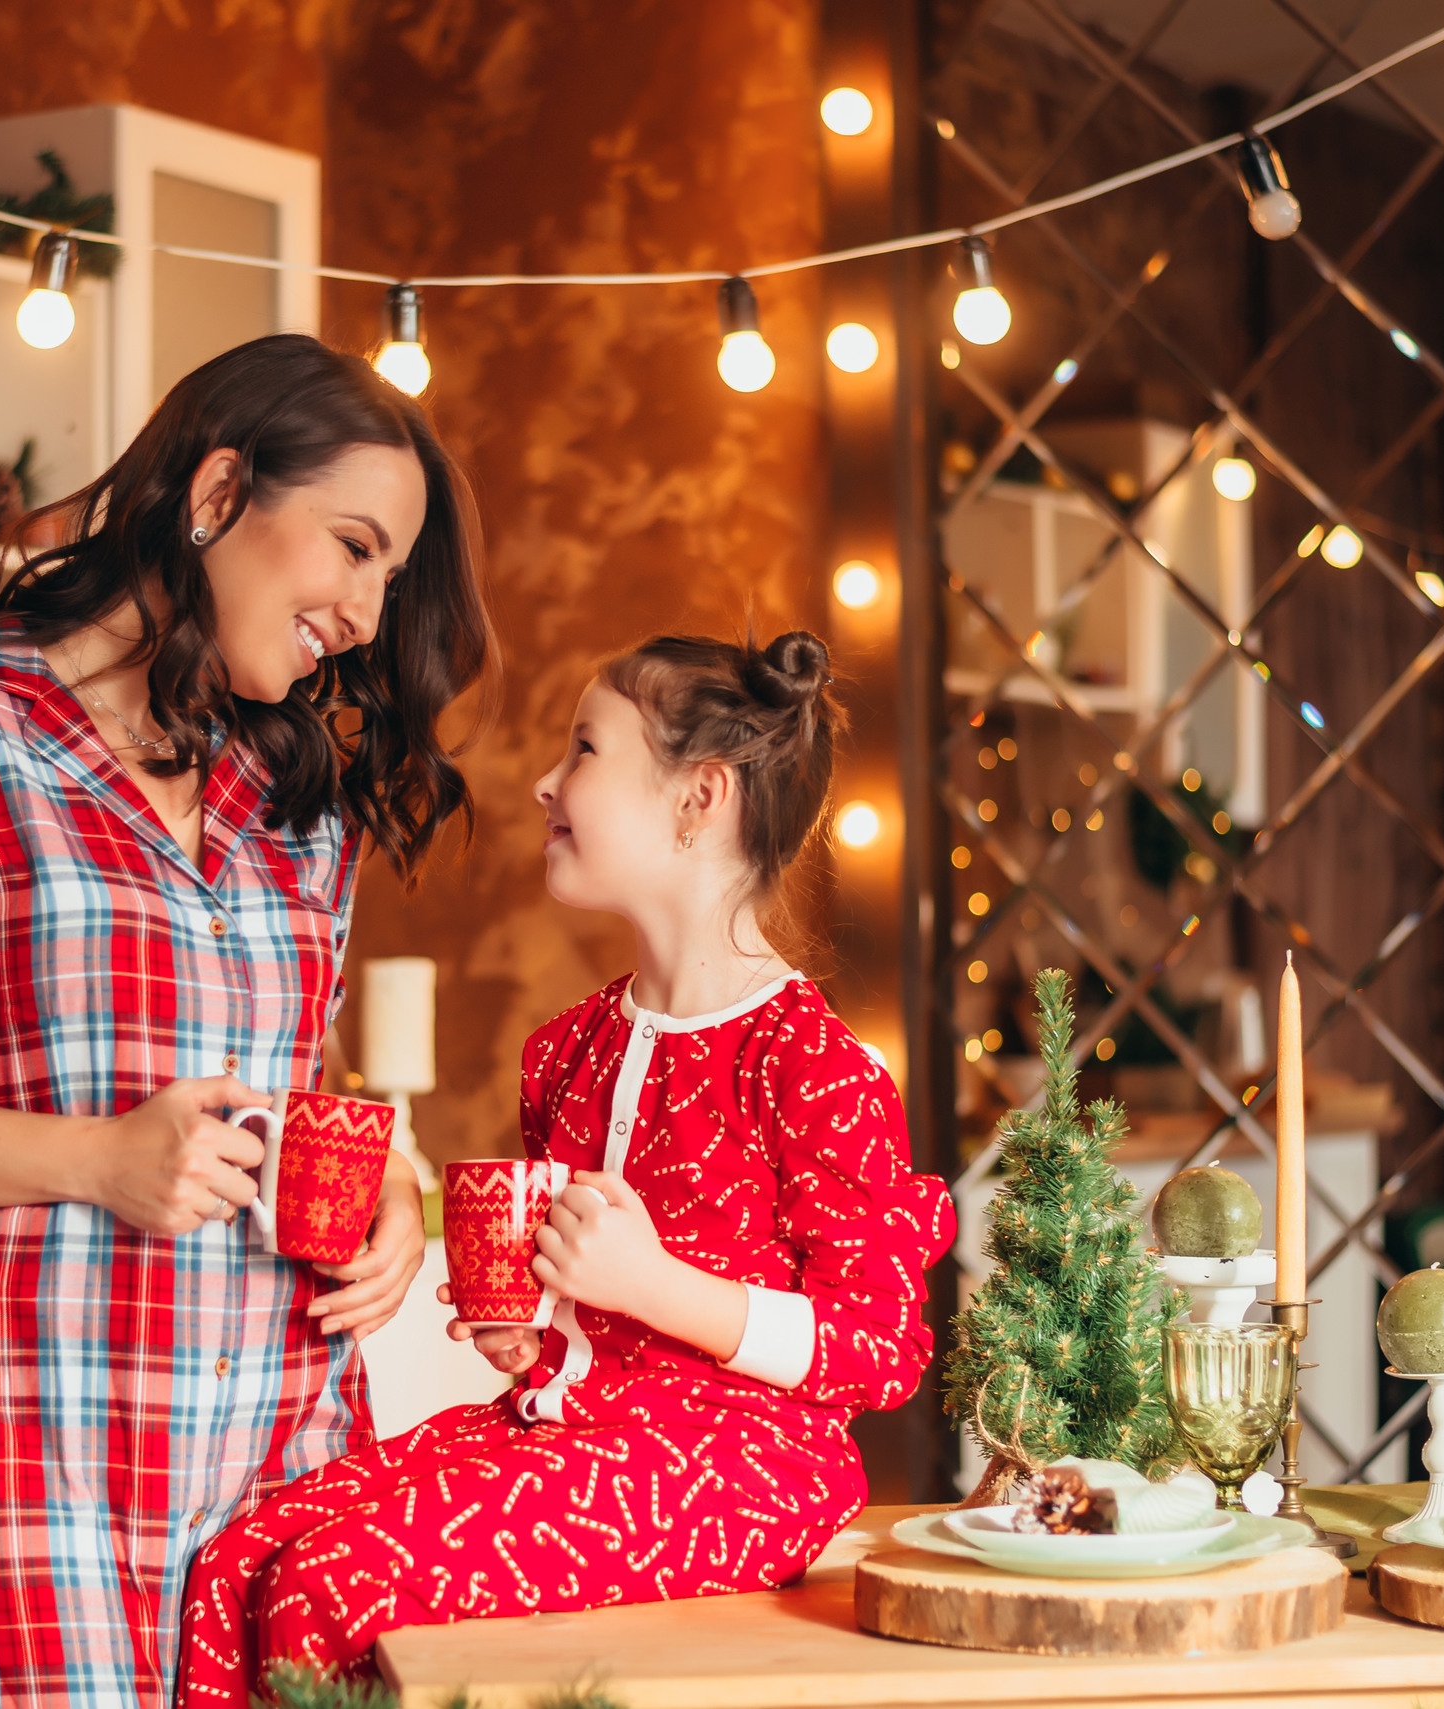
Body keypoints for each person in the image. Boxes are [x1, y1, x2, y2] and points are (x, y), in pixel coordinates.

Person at [0, 333, 495, 1708]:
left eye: (393, 574)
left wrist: (383, 1184)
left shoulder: (297, 808)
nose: (372, 614)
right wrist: (92, 1160)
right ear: (215, 495)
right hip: (26, 1460)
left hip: (287, 1448)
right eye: (355, 546)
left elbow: (279, 1086)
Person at [178, 631, 955, 1697]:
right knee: (236, 1558)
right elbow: (578, 1322)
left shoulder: (813, 1066)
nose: (546, 778)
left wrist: (652, 1285)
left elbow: (876, 1349)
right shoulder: (569, 1050)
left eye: (584, 749)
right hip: (565, 1428)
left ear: (700, 797)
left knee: (331, 1578)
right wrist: (532, 1324)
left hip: (741, 1469)